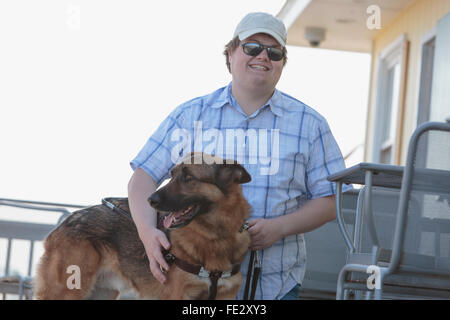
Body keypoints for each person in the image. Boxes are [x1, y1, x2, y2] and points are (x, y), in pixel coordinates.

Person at [128, 12, 351, 300]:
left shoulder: (310, 124)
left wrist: (279, 228)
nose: (263, 56)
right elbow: (142, 179)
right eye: (252, 47)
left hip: (276, 285)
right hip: (194, 285)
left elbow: (333, 199)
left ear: (282, 63)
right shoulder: (190, 116)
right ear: (230, 53)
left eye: (275, 52)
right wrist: (147, 233)